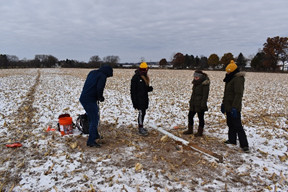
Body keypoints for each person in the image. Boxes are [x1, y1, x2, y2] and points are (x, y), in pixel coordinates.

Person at [79, 65, 113, 148]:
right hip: (89, 100)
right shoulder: (102, 76)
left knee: (92, 117)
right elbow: (99, 87)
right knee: (94, 119)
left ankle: (95, 134)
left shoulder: (93, 72)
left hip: (84, 98)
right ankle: (91, 141)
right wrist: (100, 97)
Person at [221, 60, 249, 153]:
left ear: (233, 71)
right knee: (230, 124)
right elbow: (227, 93)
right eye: (227, 71)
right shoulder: (229, 78)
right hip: (228, 105)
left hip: (234, 106)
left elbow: (238, 94)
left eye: (229, 71)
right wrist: (223, 104)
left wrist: (234, 107)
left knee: (237, 126)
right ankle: (232, 140)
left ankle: (244, 145)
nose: (227, 72)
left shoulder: (238, 79)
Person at [183, 70, 210, 137]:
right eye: (195, 76)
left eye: (197, 76)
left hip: (200, 103)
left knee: (201, 118)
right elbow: (193, 94)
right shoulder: (195, 83)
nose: (195, 77)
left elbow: (205, 95)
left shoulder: (204, 84)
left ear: (200, 77)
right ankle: (190, 130)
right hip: (194, 103)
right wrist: (191, 101)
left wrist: (203, 104)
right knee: (190, 116)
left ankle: (200, 132)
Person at [130, 62, 153, 136]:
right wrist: (135, 102)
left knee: (143, 113)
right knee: (141, 113)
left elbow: (143, 89)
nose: (147, 71)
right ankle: (140, 128)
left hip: (144, 99)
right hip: (139, 100)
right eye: (146, 69)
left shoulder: (144, 77)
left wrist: (149, 89)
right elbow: (133, 91)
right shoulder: (136, 77)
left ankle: (142, 126)